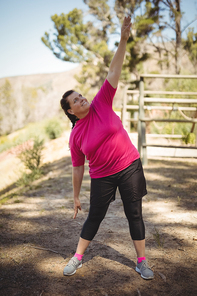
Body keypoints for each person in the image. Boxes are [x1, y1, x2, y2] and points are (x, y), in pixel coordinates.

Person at [60, 16, 154, 280]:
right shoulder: (76, 136)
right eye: (76, 100)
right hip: (101, 176)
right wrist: (76, 196)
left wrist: (123, 40)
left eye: (80, 94)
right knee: (95, 217)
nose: (82, 98)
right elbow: (77, 168)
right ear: (70, 111)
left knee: (134, 213)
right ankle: (78, 256)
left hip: (129, 167)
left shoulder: (102, 101)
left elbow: (114, 71)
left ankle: (142, 261)